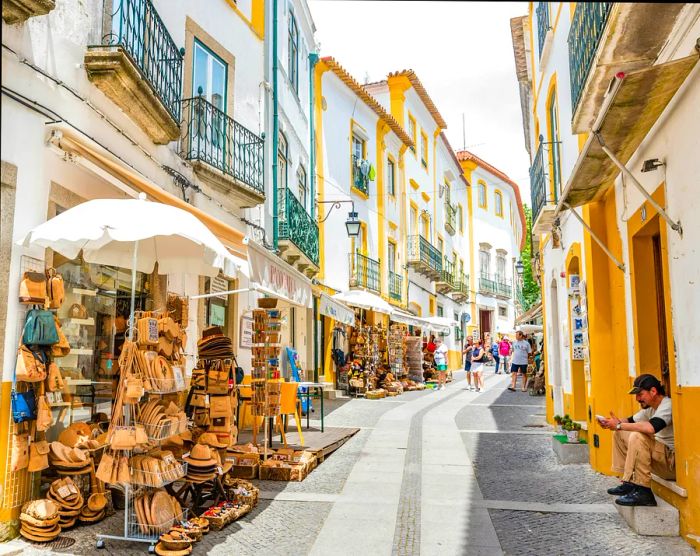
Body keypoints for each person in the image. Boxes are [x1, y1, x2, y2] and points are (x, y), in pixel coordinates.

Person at [599, 374, 674, 506]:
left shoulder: (667, 405)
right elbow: (629, 421)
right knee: (620, 433)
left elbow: (651, 427)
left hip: (671, 463)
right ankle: (628, 483)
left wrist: (618, 425)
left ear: (653, 391)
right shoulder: (650, 408)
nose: (637, 399)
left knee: (637, 436)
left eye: (640, 394)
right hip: (660, 458)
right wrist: (611, 423)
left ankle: (644, 492)